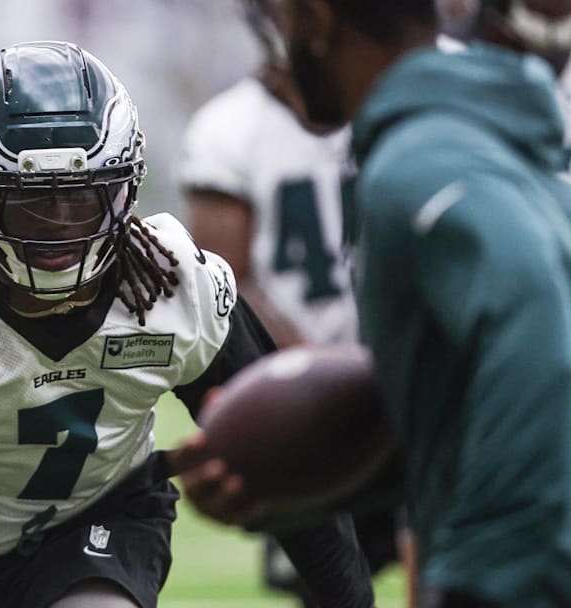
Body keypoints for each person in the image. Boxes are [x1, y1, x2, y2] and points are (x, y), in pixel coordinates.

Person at [0, 40, 375, 608]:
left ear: (124, 189)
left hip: (104, 522)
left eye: (83, 197)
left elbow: (279, 452)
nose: (59, 226)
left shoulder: (177, 286)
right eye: (30, 200)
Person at [173, 1, 571, 607]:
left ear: (316, 19)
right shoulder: (476, 128)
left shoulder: (418, 160)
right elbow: (463, 409)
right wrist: (291, 480)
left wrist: (490, 575)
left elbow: (543, 340)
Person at [177, 1, 411, 605]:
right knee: (331, 580)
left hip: (414, 377)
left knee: (440, 564)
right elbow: (222, 285)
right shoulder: (232, 128)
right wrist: (321, 374)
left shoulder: (418, 104)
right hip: (313, 394)